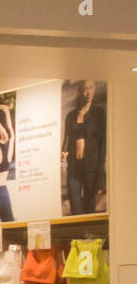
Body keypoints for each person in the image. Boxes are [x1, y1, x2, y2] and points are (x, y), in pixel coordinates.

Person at [61, 80, 106, 216]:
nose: (88, 93)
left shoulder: (99, 113)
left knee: (89, 211)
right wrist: (64, 152)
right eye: (85, 89)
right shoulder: (71, 116)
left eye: (91, 88)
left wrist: (100, 179)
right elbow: (67, 138)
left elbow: (102, 145)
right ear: (79, 91)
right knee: (75, 210)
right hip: (74, 168)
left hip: (91, 169)